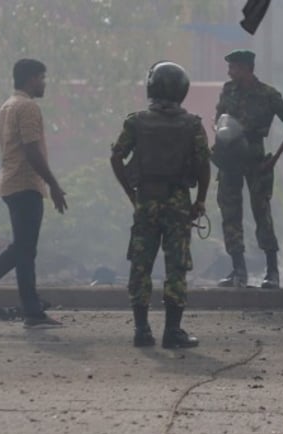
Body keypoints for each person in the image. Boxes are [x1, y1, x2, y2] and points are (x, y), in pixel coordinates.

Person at [110, 61, 211, 348]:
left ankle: (142, 331)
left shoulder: (136, 122)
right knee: (176, 266)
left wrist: (131, 193)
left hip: (146, 200)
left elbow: (116, 157)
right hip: (178, 203)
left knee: (141, 264)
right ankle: (172, 331)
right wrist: (200, 200)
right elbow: (204, 164)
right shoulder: (193, 125)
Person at [0, 58, 66, 329]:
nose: (44, 83)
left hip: (11, 184)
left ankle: (22, 306)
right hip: (24, 184)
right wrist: (54, 185)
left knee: (22, 250)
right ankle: (30, 311)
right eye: (42, 77)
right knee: (24, 249)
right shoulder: (27, 107)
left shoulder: (7, 105)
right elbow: (31, 149)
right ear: (31, 79)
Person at [214, 50, 283, 289]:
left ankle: (272, 271)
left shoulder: (268, 94)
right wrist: (221, 133)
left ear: (246, 68)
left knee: (262, 213)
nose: (230, 72)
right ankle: (238, 269)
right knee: (230, 212)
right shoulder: (228, 90)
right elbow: (218, 117)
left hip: (255, 157)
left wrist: (275, 159)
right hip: (230, 157)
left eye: (234, 67)